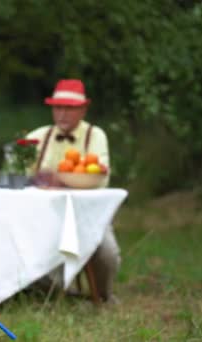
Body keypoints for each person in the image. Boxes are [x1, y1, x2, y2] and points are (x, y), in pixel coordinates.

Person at [26, 79, 120, 303]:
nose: (62, 114)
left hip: (87, 215)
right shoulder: (37, 136)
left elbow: (100, 179)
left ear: (83, 110)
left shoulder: (95, 136)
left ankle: (104, 295)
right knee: (22, 240)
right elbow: (21, 174)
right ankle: (46, 293)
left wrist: (56, 178)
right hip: (44, 215)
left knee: (108, 253)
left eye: (69, 108)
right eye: (58, 107)